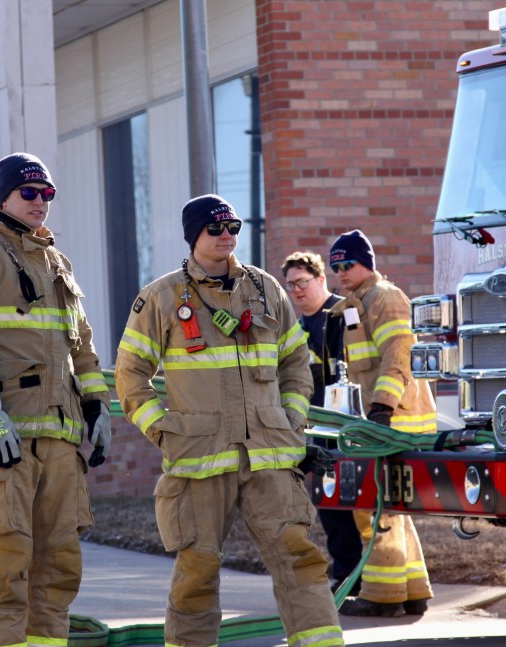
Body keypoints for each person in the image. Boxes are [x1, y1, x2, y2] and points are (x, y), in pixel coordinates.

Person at [115, 194, 343, 647]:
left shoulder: (266, 290)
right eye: (215, 228)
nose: (227, 236)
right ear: (193, 235)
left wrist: (291, 423)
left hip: (269, 456)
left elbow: (296, 364)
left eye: (233, 227)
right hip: (198, 458)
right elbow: (129, 375)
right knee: (197, 570)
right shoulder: (162, 297)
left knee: (299, 558)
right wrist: (164, 432)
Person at [0, 152, 110, 647]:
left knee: (57, 571)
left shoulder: (57, 264)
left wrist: (97, 406)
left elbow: (82, 346)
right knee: (1, 567)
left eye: (47, 193)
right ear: (4, 197)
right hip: (2, 442)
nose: (40, 202)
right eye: (29, 192)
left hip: (60, 443)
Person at [326, 230, 436, 618]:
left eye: (348, 264)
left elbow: (398, 354)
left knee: (374, 507)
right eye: (335, 266)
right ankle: (413, 590)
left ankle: (383, 596)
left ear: (367, 264)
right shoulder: (357, 303)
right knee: (391, 507)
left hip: (393, 419)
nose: (340, 272)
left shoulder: (385, 298)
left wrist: (382, 407)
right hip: (377, 419)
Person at [281, 251, 364, 594]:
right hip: (317, 429)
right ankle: (347, 576)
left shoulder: (344, 314)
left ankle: (369, 576)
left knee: (360, 505)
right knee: (329, 504)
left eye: (302, 282)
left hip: (351, 426)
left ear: (320, 279)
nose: (297, 291)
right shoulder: (297, 330)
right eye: (290, 286)